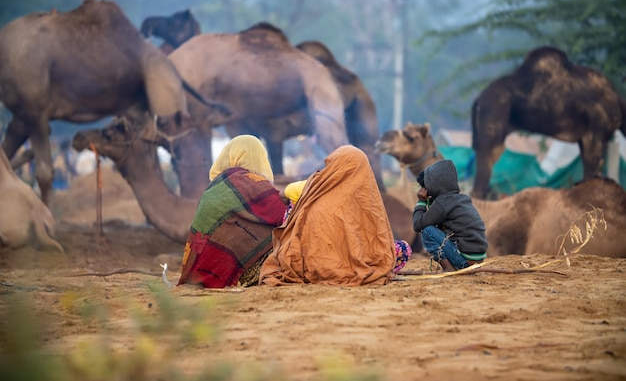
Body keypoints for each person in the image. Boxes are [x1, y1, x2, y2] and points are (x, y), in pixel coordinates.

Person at [259, 145, 401, 286]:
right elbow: (379, 240)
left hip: (313, 268)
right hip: (347, 264)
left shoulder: (314, 190)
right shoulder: (368, 200)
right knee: (400, 249)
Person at [177, 135, 289, 288]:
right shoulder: (249, 182)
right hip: (230, 277)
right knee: (288, 236)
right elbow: (283, 214)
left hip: (196, 274)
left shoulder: (216, 186)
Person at [413, 159, 488, 272]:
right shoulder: (460, 199)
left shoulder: (443, 203)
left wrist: (421, 202)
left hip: (465, 261)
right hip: (477, 260)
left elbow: (418, 224)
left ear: (434, 186)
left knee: (428, 231)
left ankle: (448, 268)